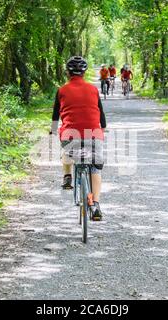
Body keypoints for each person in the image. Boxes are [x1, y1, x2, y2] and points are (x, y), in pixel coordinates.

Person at [51, 56, 107, 220]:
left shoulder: (62, 90)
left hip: (70, 135)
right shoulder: (93, 89)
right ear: (84, 72)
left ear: (67, 73)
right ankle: (95, 205)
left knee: (67, 148)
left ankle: (67, 177)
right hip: (94, 135)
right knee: (95, 168)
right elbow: (101, 115)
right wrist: (102, 128)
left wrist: (54, 130)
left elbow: (56, 115)